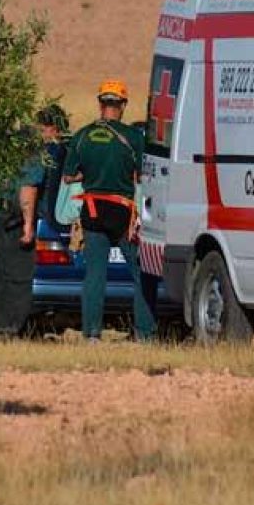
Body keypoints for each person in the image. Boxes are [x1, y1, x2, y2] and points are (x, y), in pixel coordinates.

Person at [63, 80, 155, 342]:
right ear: (123, 105)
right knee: (142, 272)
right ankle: (144, 333)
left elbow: (69, 177)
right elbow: (140, 177)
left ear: (100, 103)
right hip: (121, 212)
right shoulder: (134, 138)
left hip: (92, 211)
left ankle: (92, 334)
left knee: (94, 275)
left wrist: (88, 173)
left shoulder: (81, 136)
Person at [0, 105, 69, 336]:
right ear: (51, 129)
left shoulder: (11, 144)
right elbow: (28, 189)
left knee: (1, 275)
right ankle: (7, 329)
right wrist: (28, 225)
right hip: (15, 221)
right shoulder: (35, 150)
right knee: (18, 279)